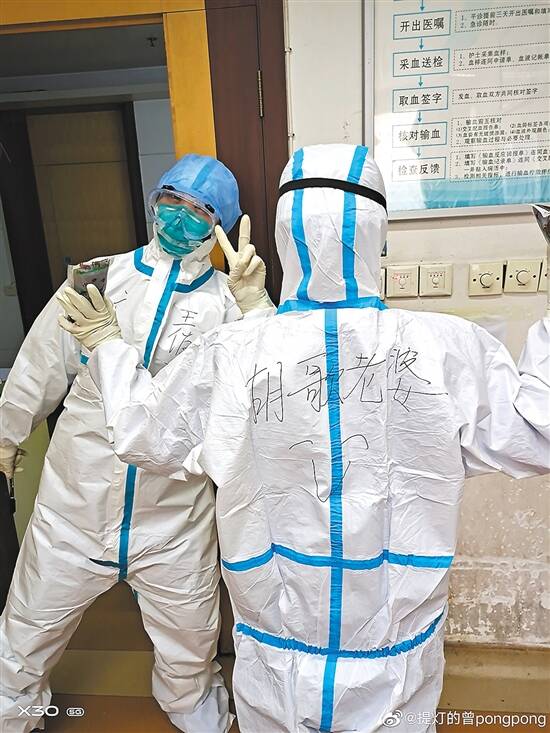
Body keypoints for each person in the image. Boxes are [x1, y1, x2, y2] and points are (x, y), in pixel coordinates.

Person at [57, 144, 550, 733]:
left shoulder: (236, 352)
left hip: (275, 648)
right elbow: (535, 432)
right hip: (394, 650)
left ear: (284, 238)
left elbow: (145, 434)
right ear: (377, 237)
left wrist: (109, 349)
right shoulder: (444, 347)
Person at [0, 153, 272, 733]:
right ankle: (12, 712)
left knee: (189, 643)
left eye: (199, 210)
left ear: (221, 226)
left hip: (174, 518)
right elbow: (40, 363)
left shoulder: (228, 304)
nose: (179, 217)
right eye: (171, 200)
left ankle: (194, 711)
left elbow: (271, 382)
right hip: (74, 507)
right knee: (26, 629)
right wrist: (6, 434)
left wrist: (257, 308)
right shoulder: (98, 279)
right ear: (154, 201)